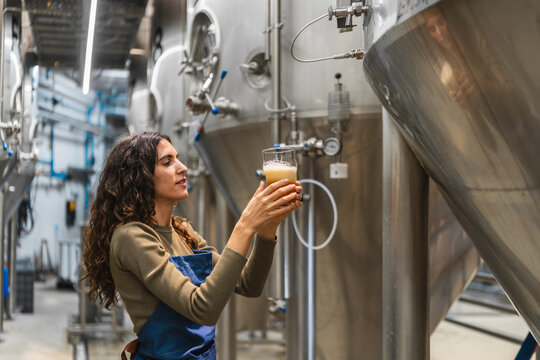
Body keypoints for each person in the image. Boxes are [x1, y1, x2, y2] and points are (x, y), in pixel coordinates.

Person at [81, 132, 302, 360]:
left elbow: (249, 284)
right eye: (167, 162)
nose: (183, 167)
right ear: (140, 177)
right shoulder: (132, 237)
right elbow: (201, 309)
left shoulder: (183, 232)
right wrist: (244, 226)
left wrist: (267, 229)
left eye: (178, 159)